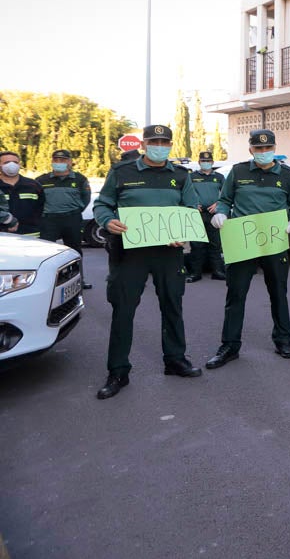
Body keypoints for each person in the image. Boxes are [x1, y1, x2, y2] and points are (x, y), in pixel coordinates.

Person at [92, 125, 203, 399]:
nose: (159, 145)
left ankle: (175, 360)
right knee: (123, 310)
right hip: (130, 253)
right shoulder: (121, 172)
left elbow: (191, 207)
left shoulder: (180, 175)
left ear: (170, 145)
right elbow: (102, 204)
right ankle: (118, 371)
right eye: (154, 141)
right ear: (143, 144)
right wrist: (107, 220)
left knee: (173, 306)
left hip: (169, 252)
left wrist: (184, 232)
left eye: (164, 141)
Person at [205, 130, 290, 368]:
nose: (263, 152)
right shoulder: (238, 172)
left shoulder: (288, 175)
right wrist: (220, 213)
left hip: (274, 241)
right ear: (251, 150)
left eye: (267, 148)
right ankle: (229, 345)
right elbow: (226, 199)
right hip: (242, 243)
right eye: (258, 149)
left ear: (274, 148)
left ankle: (283, 340)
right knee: (236, 294)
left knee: (278, 293)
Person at [36, 149, 93, 289]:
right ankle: (45, 283)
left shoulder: (79, 179)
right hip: (49, 220)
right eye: (56, 160)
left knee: (75, 251)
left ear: (69, 161)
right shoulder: (41, 180)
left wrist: (75, 210)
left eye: (63, 160)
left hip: (71, 218)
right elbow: (37, 201)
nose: (59, 163)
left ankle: (79, 280)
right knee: (46, 252)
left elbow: (86, 198)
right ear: (52, 161)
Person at [184, 150, 226, 282]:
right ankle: (195, 273)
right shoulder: (191, 177)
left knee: (215, 244)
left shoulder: (219, 177)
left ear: (212, 162)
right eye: (203, 161)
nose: (206, 163)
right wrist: (192, 204)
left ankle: (217, 271)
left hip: (214, 214)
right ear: (199, 162)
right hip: (197, 214)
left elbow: (226, 196)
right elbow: (186, 193)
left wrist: (218, 204)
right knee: (197, 245)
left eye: (208, 161)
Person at [0, 150, 44, 237]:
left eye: (15, 162)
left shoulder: (33, 185)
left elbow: (42, 209)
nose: (12, 165)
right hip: (3, 237)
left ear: (19, 165)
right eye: (7, 162)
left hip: (31, 235)